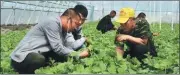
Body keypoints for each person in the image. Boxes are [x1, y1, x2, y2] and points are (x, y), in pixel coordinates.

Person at [10, 8, 89, 74]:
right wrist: (78, 55)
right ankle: (24, 71)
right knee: (38, 59)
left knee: (63, 56)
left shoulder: (64, 30)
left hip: (41, 52)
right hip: (22, 57)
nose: (76, 28)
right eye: (76, 24)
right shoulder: (52, 22)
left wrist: (83, 42)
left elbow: (69, 46)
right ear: (69, 19)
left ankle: (43, 68)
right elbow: (58, 48)